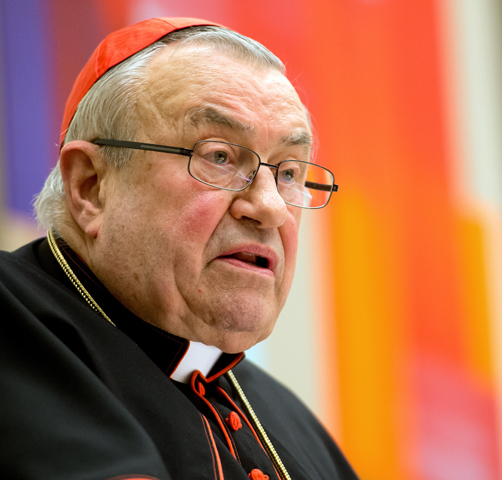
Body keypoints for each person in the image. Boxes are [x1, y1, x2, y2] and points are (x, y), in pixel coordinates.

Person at [0, 17, 356, 480]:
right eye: (219, 157)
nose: (269, 206)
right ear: (91, 187)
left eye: (288, 173)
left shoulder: (295, 425)